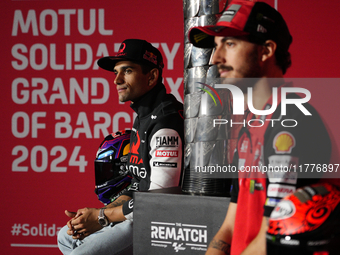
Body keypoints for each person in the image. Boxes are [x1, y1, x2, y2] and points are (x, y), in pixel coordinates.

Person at [189, 1, 332, 254]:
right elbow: (231, 225)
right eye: (216, 45)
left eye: (230, 44)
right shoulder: (251, 123)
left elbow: (272, 239)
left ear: (266, 51)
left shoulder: (292, 124)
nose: (216, 57)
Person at [57, 39, 184, 255]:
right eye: (116, 72)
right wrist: (96, 214)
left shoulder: (165, 122)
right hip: (141, 212)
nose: (117, 80)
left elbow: (160, 203)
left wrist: (101, 217)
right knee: (66, 237)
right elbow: (137, 183)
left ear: (152, 76)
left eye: (127, 71)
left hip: (163, 221)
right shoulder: (143, 116)